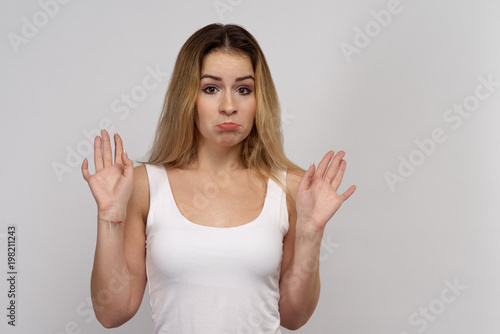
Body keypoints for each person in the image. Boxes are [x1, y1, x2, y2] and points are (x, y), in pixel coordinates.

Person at [81, 23, 356, 333]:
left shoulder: (290, 188)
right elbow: (113, 313)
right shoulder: (145, 186)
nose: (229, 106)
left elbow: (292, 317)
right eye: (211, 88)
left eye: (243, 89)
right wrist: (109, 215)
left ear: (258, 100)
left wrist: (310, 232)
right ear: (188, 97)